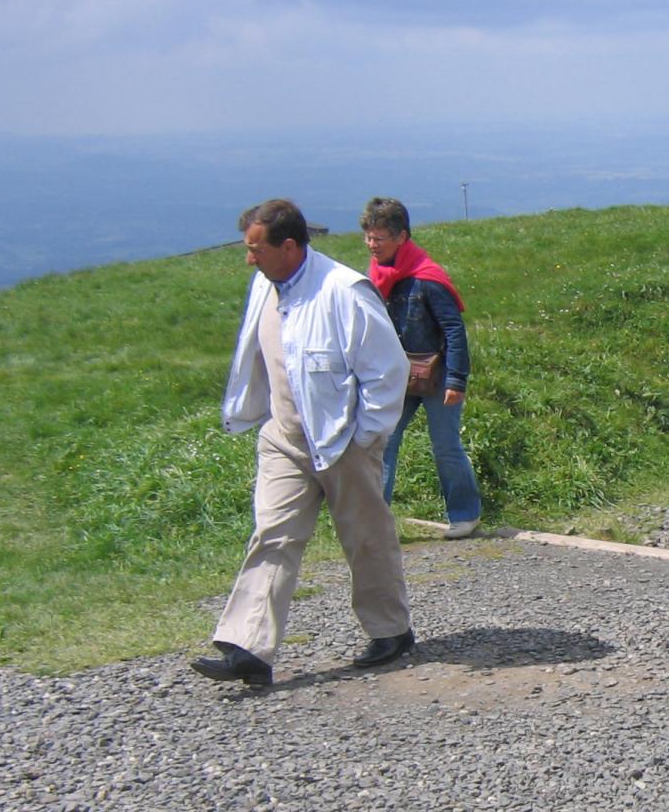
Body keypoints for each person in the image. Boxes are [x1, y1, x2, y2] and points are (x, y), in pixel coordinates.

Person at [193, 199, 414, 687]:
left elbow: (388, 371)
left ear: (288, 246)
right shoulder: (264, 287)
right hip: (285, 437)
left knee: (365, 537)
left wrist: (365, 435)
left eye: (255, 249)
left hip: (344, 441)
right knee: (272, 533)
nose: (249, 259)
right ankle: (249, 647)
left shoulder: (343, 291)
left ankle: (391, 630)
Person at [361, 197, 482, 539]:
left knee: (445, 446)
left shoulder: (427, 278)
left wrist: (456, 380)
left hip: (438, 375)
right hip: (397, 375)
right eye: (369, 237)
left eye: (379, 238)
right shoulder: (375, 276)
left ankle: (465, 515)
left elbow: (454, 331)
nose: (372, 245)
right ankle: (375, 524)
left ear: (401, 237)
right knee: (384, 442)